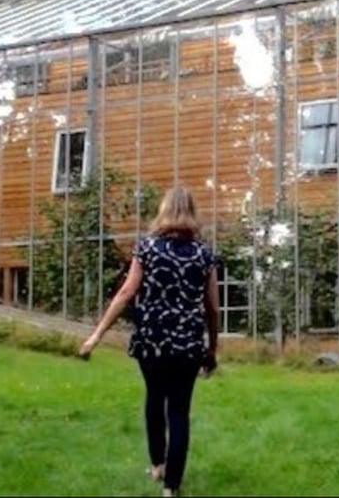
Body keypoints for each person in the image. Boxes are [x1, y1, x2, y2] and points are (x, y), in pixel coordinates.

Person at [79, 186, 220, 498]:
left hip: (151, 340)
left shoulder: (147, 248)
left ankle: (157, 465)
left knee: (155, 398)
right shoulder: (204, 254)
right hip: (188, 343)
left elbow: (127, 293)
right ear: (192, 213)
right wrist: (212, 349)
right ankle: (171, 488)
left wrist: (96, 335)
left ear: (164, 211)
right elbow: (212, 308)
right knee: (179, 411)